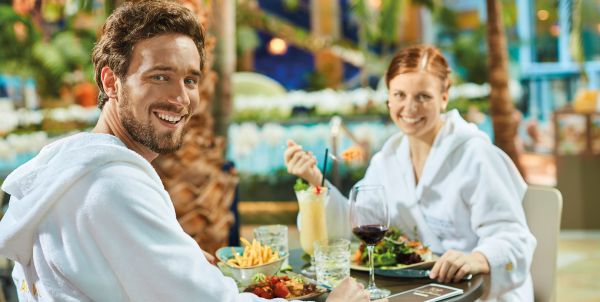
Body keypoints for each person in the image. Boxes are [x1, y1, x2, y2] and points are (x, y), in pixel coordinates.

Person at [0, 1, 379, 302]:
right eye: (159, 76)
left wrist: (180, 261)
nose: (181, 98)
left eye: (190, 79)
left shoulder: (72, 169)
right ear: (111, 81)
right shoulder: (111, 185)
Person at [284, 45, 536, 301]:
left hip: (478, 294)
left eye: (423, 96)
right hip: (417, 292)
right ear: (389, 99)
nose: (409, 107)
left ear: (444, 96)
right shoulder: (388, 159)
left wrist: (477, 258)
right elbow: (355, 224)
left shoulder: (477, 155)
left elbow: (513, 237)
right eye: (400, 95)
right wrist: (316, 179)